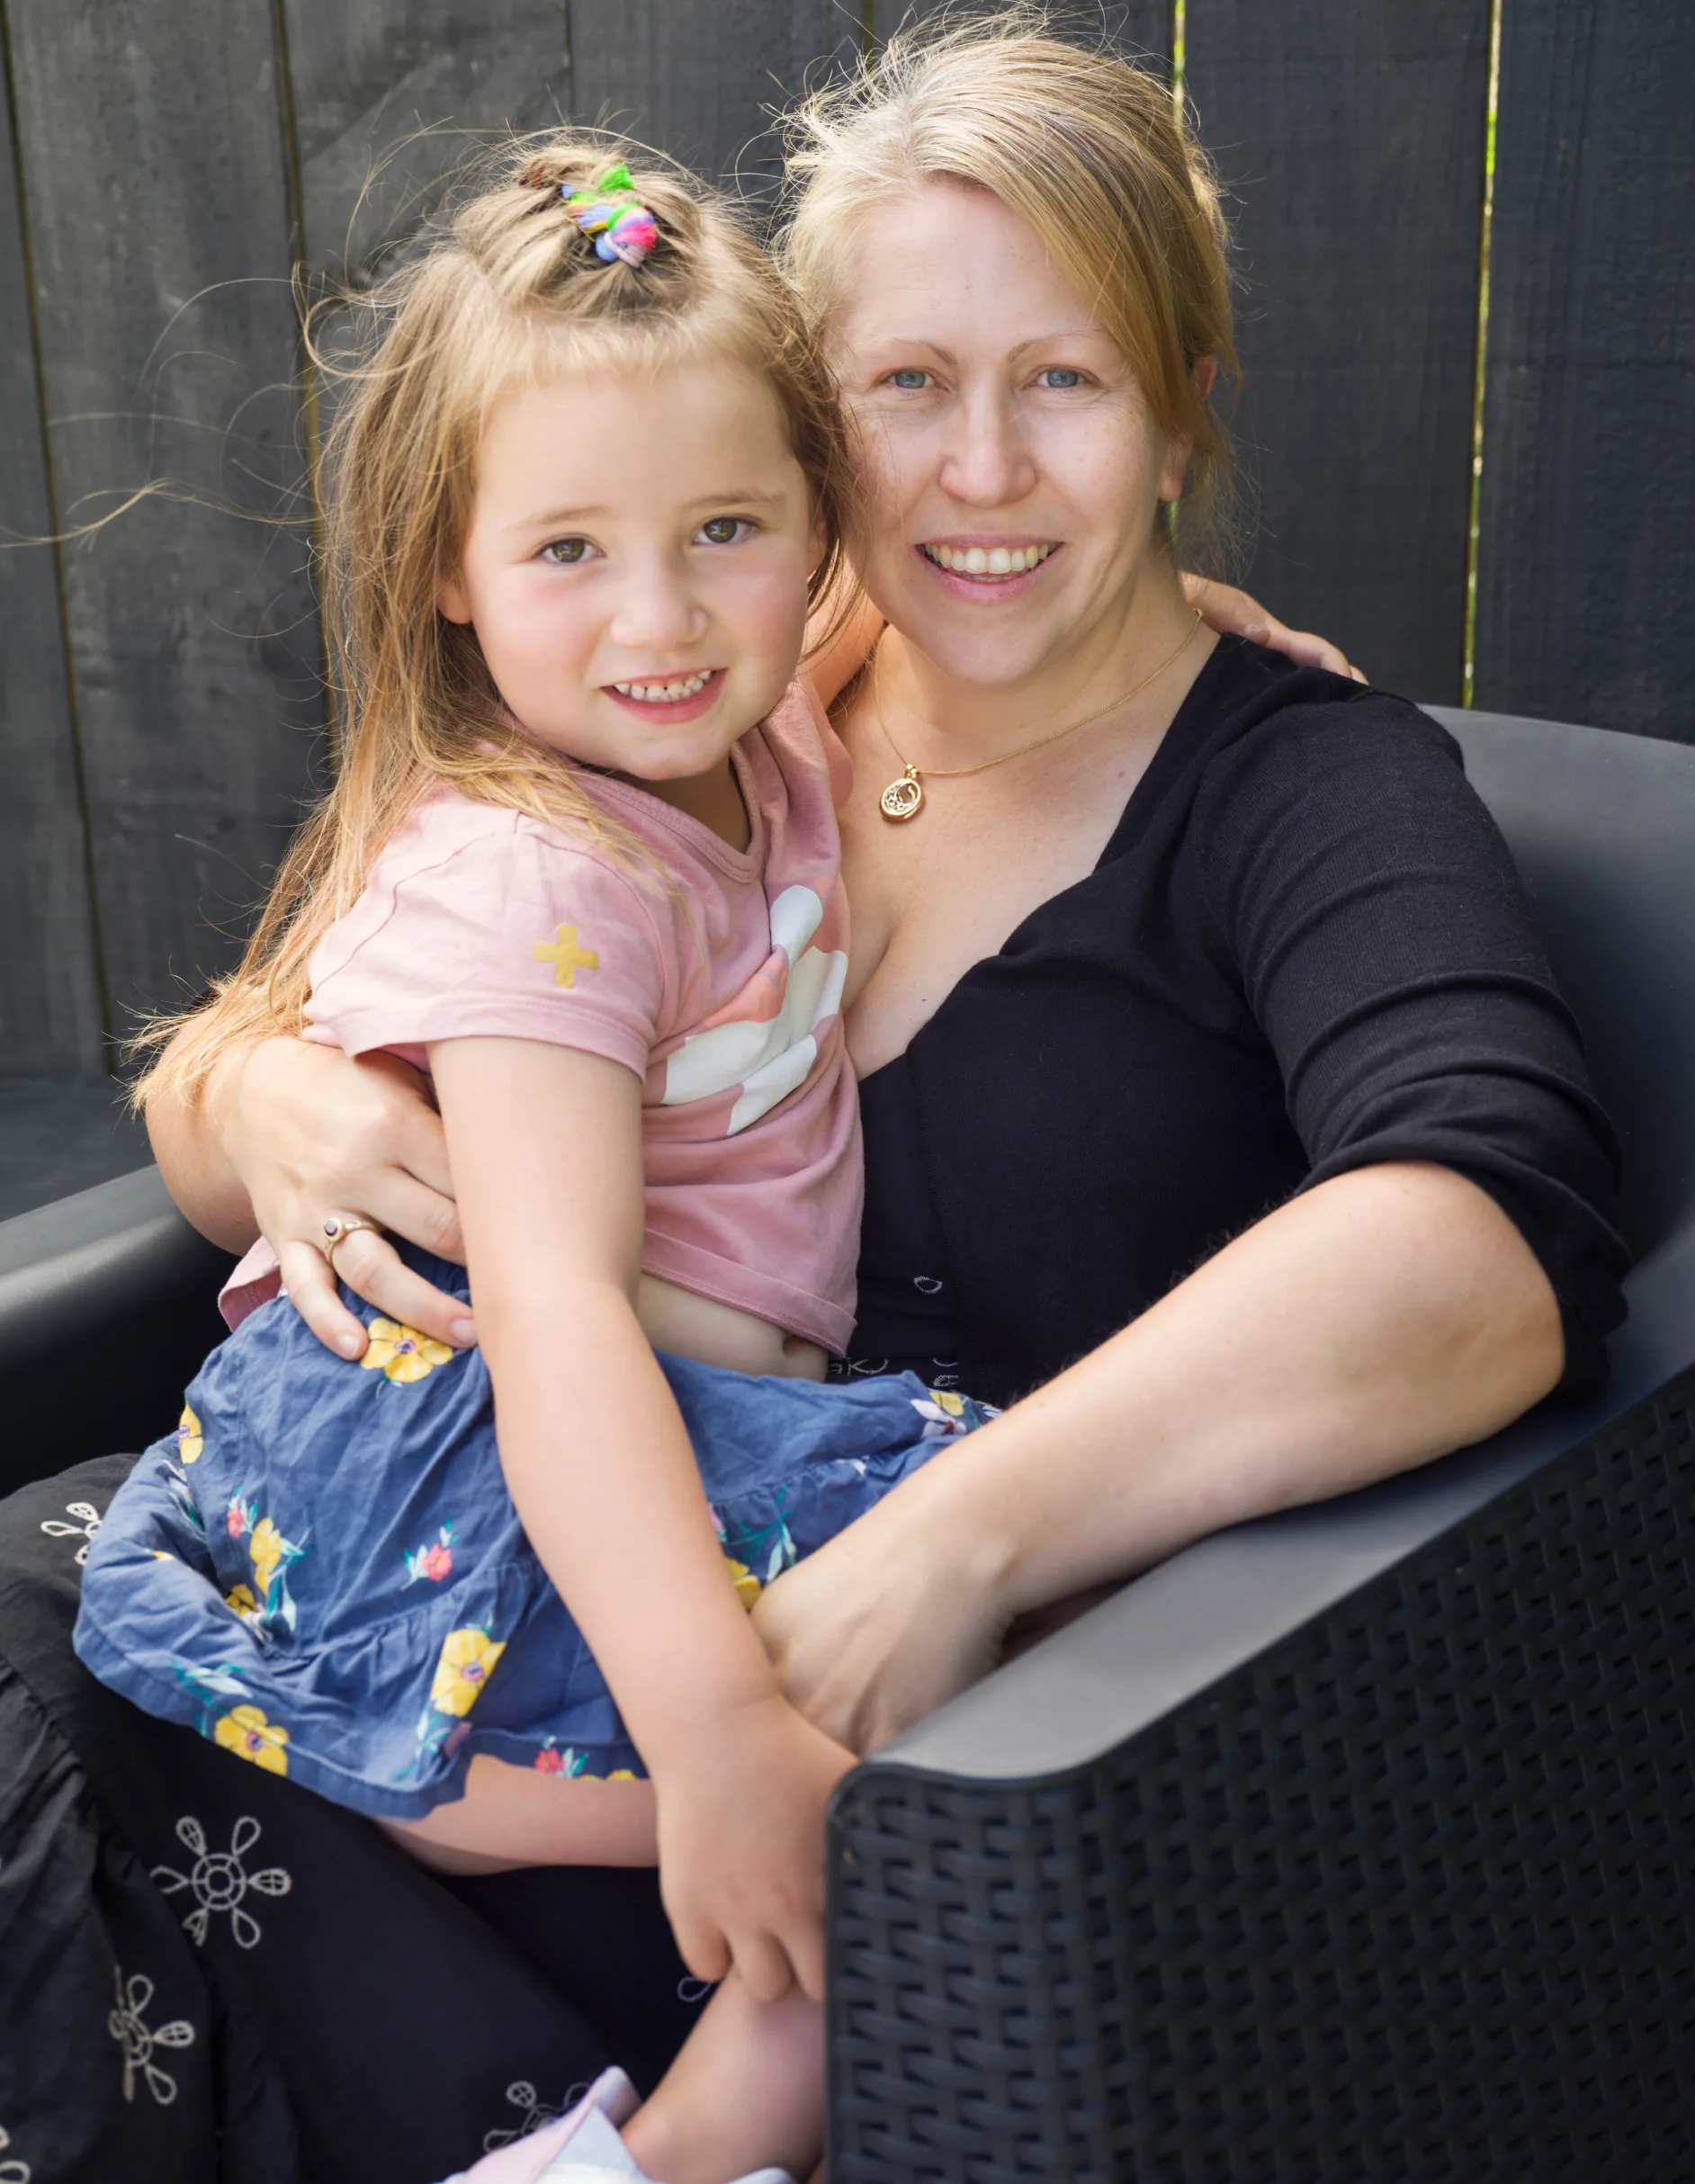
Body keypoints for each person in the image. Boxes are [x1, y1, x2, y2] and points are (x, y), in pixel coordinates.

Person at [1, 6, 1624, 2184]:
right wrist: (264, 1095)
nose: (979, 469)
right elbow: (300, 1037)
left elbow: (1486, 1247)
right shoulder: (738, 689)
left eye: (1064, 380)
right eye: (907, 389)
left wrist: (954, 1547)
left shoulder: (1299, 789)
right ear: (818, 425)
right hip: (416, 1568)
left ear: (1176, 415)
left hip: (793, 1757)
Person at [75, 139, 1020, 2184]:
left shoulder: (746, 723)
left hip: (549, 1468)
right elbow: (557, 1301)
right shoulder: (548, 880)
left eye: (726, 530)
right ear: (449, 565)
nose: (664, 616)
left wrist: (1193, 612)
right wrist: (718, 1725)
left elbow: (923, 615)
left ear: (805, 524)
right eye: (569, 551)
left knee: (959, 1722)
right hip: (483, 1488)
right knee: (912, 1751)